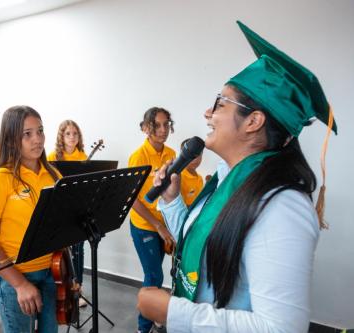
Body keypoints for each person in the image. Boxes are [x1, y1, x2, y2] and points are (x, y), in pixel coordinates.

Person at [137, 21, 337, 333]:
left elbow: (281, 328)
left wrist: (174, 312)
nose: (207, 113)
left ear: (253, 121)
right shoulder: (226, 177)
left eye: (219, 103)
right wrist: (172, 202)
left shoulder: (281, 206)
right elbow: (199, 247)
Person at [0, 106, 60, 333]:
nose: (37, 139)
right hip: (14, 277)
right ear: (12, 139)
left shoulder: (54, 175)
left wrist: (69, 274)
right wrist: (20, 284)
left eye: (40, 131)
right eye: (27, 134)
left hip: (53, 272)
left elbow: (61, 228)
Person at [128, 107, 176, 333]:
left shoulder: (171, 154)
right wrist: (156, 225)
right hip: (144, 226)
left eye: (166, 124)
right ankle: (143, 327)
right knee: (154, 275)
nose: (163, 129)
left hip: (163, 226)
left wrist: (169, 225)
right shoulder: (138, 156)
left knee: (159, 273)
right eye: (157, 125)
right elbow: (132, 200)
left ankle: (155, 316)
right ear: (146, 128)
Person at [47, 119, 88, 307]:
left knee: (78, 251)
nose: (72, 137)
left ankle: (77, 288)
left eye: (75, 133)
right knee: (59, 253)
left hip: (77, 210)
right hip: (59, 210)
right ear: (61, 137)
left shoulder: (83, 156)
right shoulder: (52, 157)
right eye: (68, 134)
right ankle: (60, 287)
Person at [179, 139, 204, 207]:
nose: (195, 159)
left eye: (198, 155)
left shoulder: (200, 178)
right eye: (191, 155)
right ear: (183, 155)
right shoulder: (179, 177)